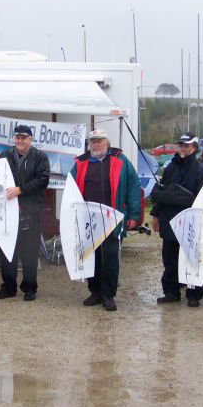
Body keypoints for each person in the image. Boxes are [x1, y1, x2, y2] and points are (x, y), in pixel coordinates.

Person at [69, 129, 142, 311]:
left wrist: (133, 214)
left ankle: (109, 294)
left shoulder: (121, 160)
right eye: (93, 141)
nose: (95, 144)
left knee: (110, 257)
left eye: (99, 141)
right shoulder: (80, 163)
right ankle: (95, 291)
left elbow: (133, 187)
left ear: (106, 143)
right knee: (91, 256)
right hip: (88, 218)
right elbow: (71, 189)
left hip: (113, 217)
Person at [151, 132, 203, 307]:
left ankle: (194, 294)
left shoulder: (201, 170)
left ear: (194, 147)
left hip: (191, 222)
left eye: (187, 145)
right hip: (169, 219)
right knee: (169, 259)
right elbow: (162, 191)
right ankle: (171, 292)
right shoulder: (171, 168)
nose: (183, 148)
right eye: (181, 145)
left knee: (192, 258)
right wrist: (156, 214)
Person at [0, 124, 50, 301]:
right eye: (17, 137)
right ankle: (8, 287)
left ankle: (30, 288)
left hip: (31, 211)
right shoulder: (5, 156)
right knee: (8, 250)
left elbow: (43, 180)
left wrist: (20, 190)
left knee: (29, 252)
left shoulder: (40, 157)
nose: (20, 140)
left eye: (24, 137)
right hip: (8, 212)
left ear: (30, 139)